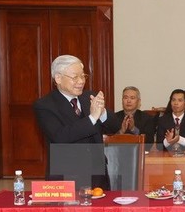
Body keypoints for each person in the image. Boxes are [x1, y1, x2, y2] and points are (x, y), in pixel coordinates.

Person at [33, 54, 120, 190]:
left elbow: (115, 127)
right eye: (75, 77)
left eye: (83, 76)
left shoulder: (88, 97)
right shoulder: (45, 105)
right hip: (66, 178)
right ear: (58, 78)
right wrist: (92, 118)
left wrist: (102, 113)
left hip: (98, 177)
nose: (81, 81)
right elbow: (60, 136)